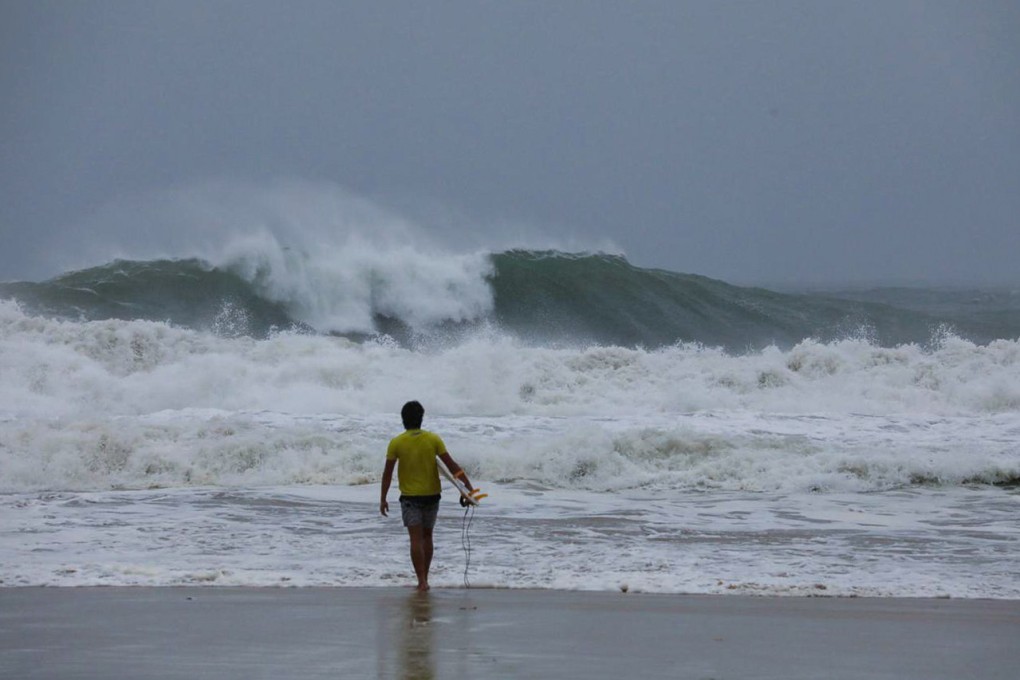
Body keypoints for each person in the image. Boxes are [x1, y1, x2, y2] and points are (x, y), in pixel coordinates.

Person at [380, 400, 475, 592]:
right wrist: (467, 486)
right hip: (432, 495)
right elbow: (451, 465)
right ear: (421, 418)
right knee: (427, 536)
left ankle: (421, 580)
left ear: (403, 420)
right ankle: (426, 576)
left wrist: (383, 498)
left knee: (415, 540)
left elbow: (388, 473)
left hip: (410, 498)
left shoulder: (396, 442)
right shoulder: (433, 439)